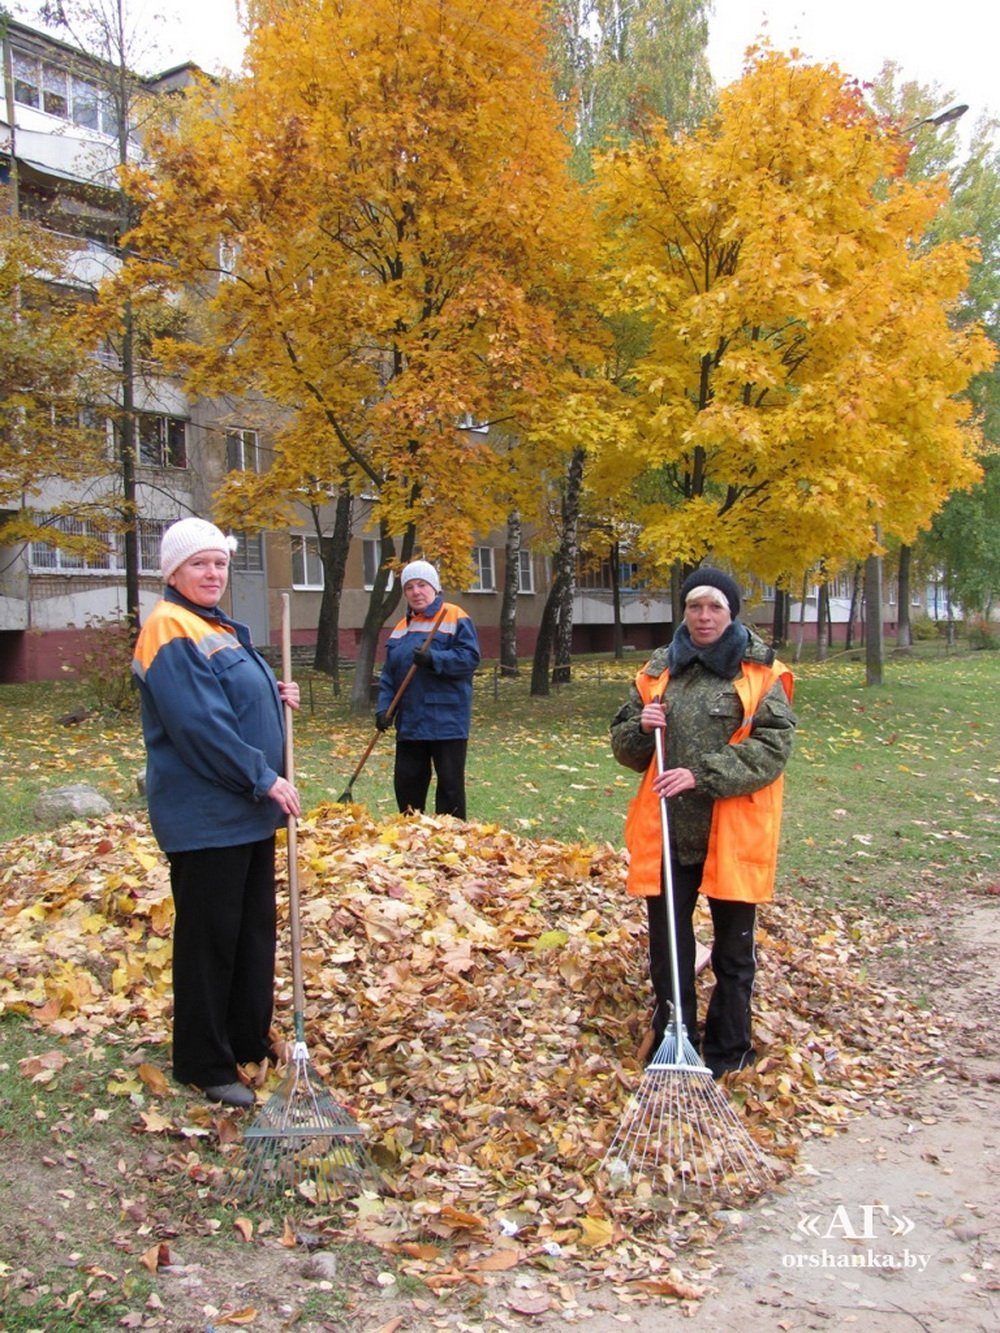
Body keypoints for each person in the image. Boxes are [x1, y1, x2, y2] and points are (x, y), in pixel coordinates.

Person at [132, 517, 301, 1109]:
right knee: (211, 940)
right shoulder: (168, 627)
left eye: (220, 563)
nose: (213, 573)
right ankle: (203, 1061)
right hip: (207, 816)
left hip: (245, 812)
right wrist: (263, 776)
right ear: (173, 571)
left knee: (251, 931)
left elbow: (229, 697)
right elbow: (201, 726)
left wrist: (270, 693)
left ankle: (246, 1037)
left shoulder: (215, 625)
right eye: (199, 564)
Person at [610, 567, 796, 1078]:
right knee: (668, 948)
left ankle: (729, 1051)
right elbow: (625, 747)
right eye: (695, 606)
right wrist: (640, 727)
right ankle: (677, 1042)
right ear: (685, 611)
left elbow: (772, 748)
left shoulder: (759, 673)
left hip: (731, 834)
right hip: (668, 834)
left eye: (715, 606)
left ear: (731, 612)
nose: (704, 616)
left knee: (734, 951)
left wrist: (701, 775)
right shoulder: (658, 670)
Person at [375, 559, 480, 819]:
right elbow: (389, 675)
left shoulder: (454, 615)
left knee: (450, 788)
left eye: (422, 585)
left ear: (434, 587)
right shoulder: (401, 629)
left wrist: (435, 658)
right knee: (407, 784)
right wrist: (384, 709)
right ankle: (411, 832)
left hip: (447, 721)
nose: (416, 592)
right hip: (411, 723)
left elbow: (469, 659)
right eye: (409, 587)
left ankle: (452, 835)